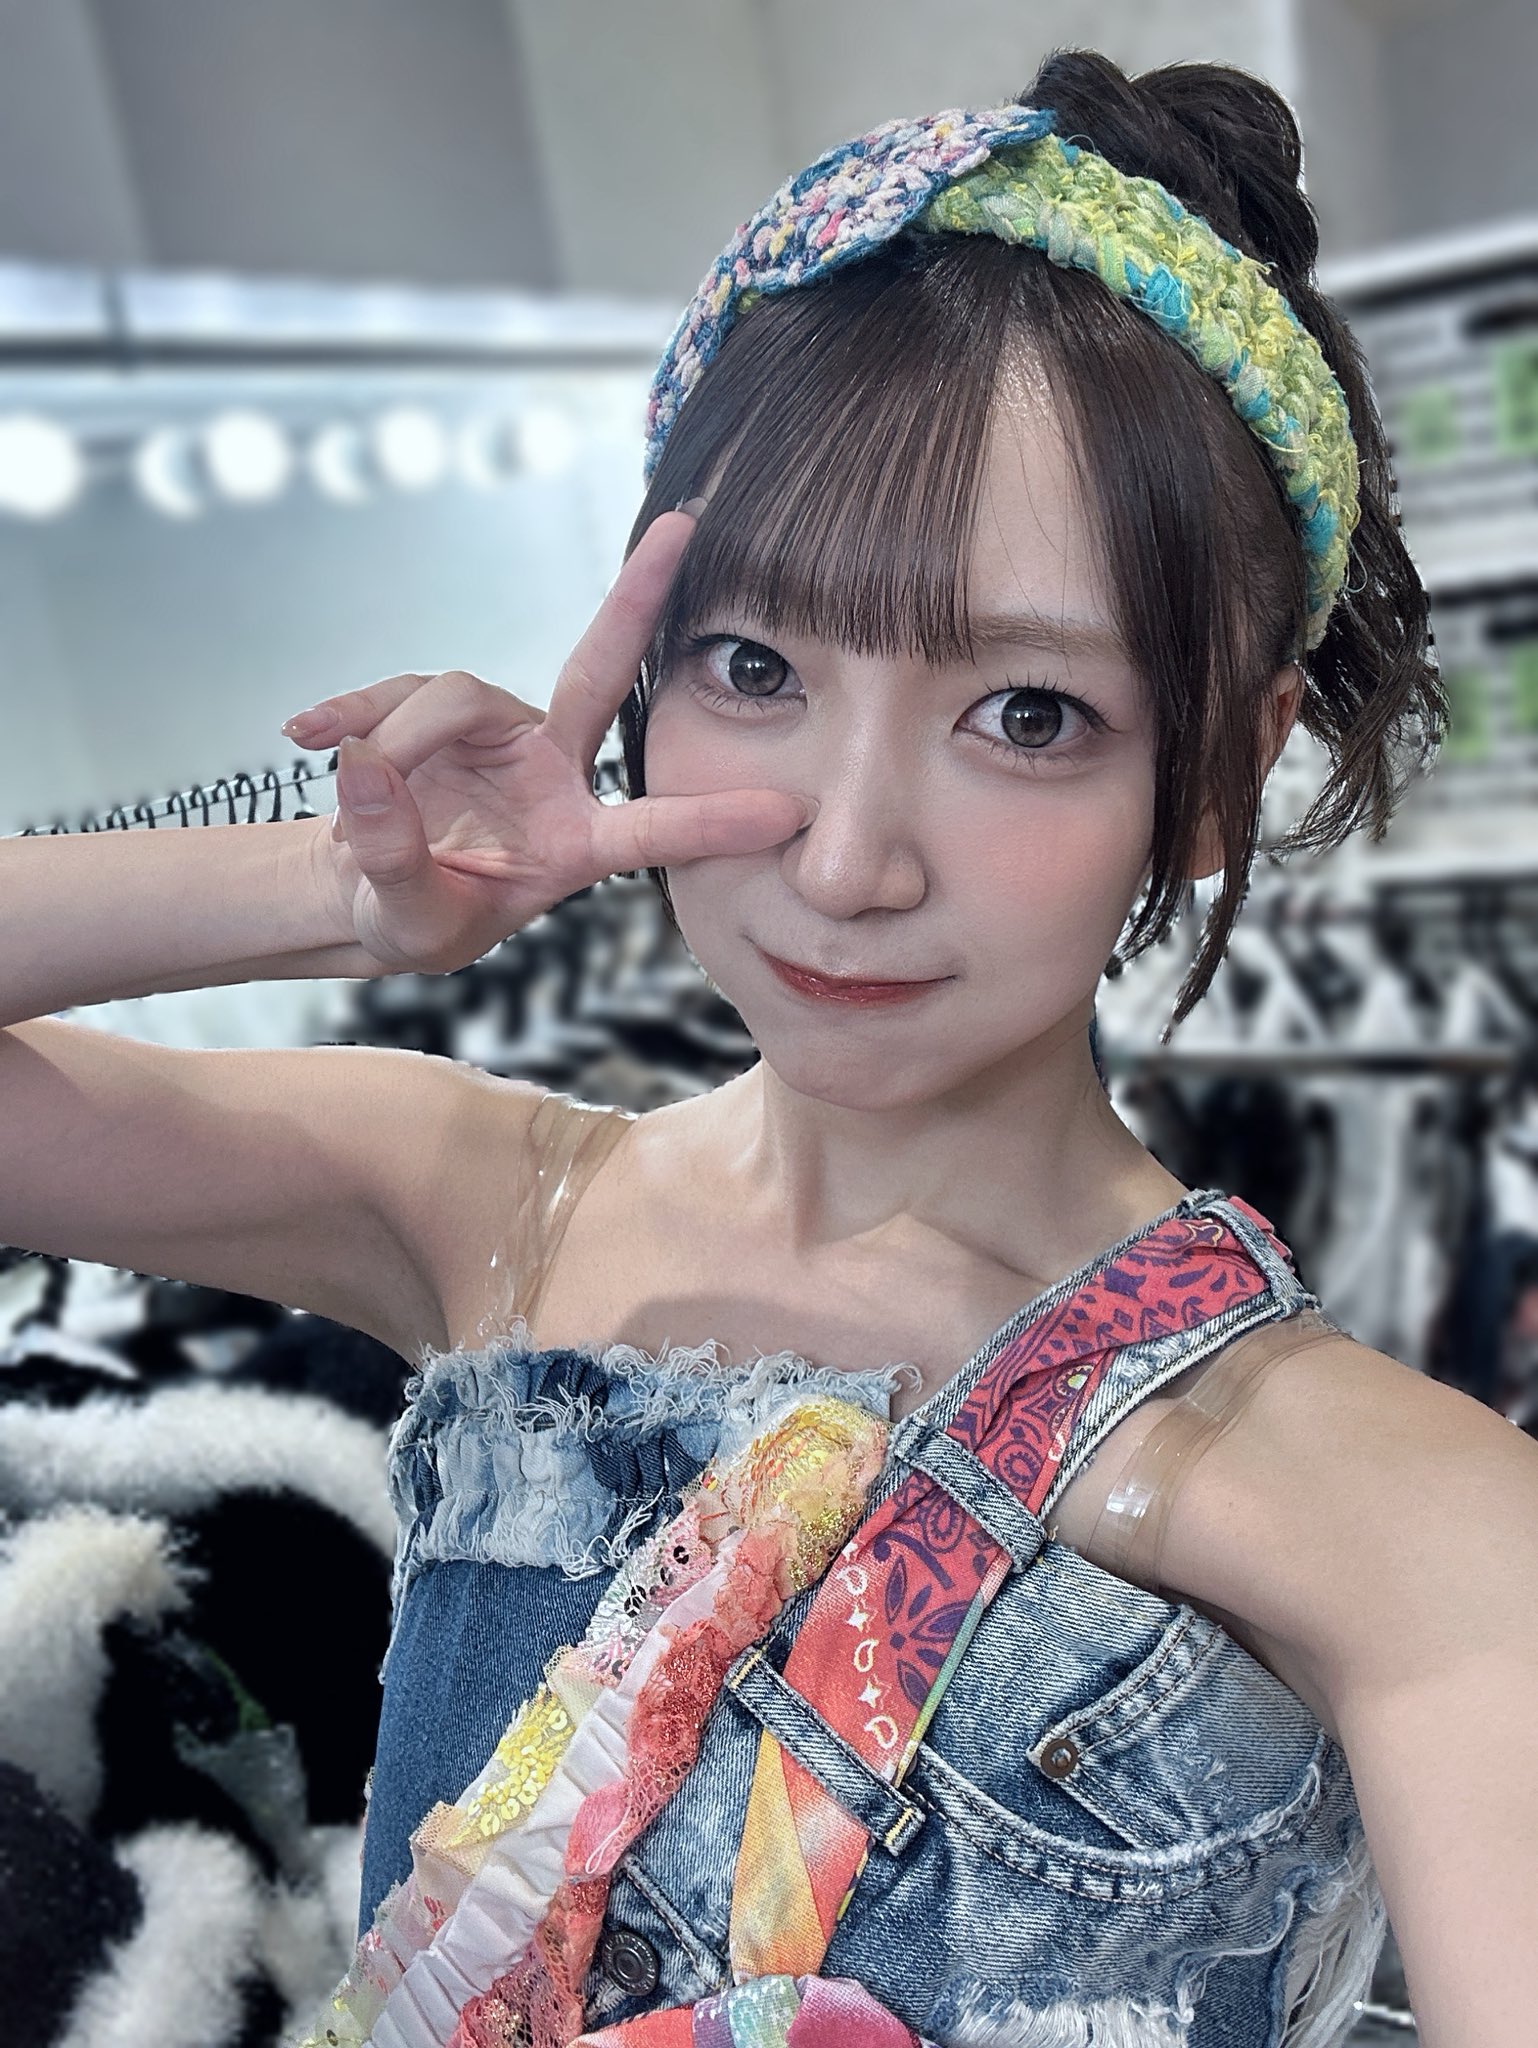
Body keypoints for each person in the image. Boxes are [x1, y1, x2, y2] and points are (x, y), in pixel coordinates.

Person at [3, 46, 1534, 2048]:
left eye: (1028, 716)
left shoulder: (1401, 1512)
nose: (844, 856)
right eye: (752, 667)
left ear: (1218, 772)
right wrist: (351, 899)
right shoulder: (498, 1212)